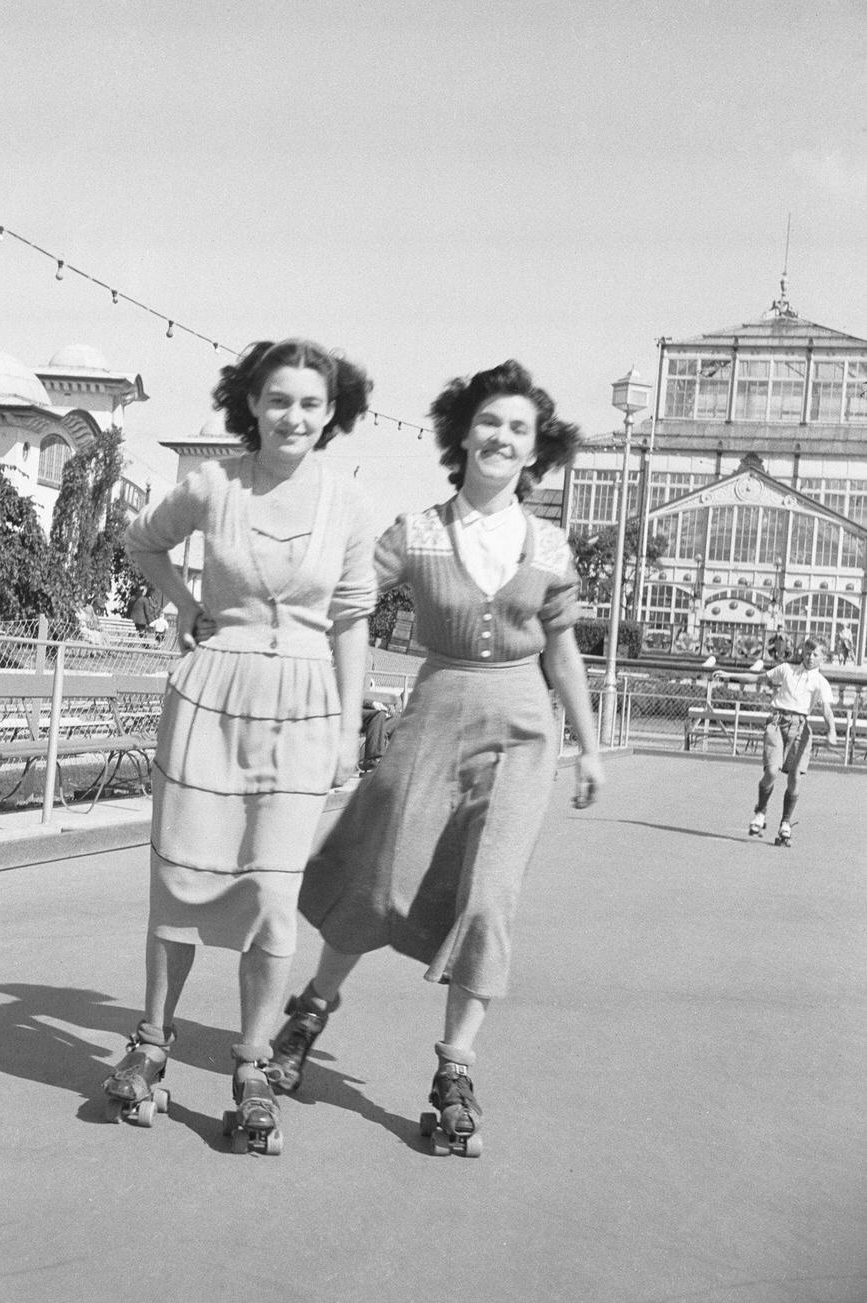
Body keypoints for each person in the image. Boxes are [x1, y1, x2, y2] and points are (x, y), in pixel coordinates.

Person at [267, 359, 605, 1157]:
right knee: (380, 881)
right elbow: (345, 598)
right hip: (432, 720)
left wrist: (589, 747)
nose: (502, 436)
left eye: (519, 428)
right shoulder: (416, 529)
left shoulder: (549, 543)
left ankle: (455, 1069)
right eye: (490, 422)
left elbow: (563, 654)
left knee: (489, 897)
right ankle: (310, 1011)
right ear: (464, 434)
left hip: (522, 733)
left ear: (534, 451)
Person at [101, 338, 376, 1153]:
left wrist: (346, 731)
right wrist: (186, 603)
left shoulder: (349, 504)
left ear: (333, 414)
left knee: (270, 892)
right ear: (251, 403)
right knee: (180, 876)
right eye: (279, 399)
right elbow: (140, 540)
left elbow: (353, 617)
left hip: (301, 706)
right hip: (210, 695)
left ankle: (253, 1063)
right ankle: (151, 1043)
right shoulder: (214, 484)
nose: (294, 416)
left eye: (311, 404)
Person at [714, 634, 838, 847]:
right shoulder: (786, 669)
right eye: (807, 652)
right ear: (802, 652)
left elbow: (826, 709)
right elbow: (759, 678)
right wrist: (729, 675)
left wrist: (832, 731)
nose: (810, 657)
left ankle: (785, 823)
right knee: (771, 771)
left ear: (822, 658)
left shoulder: (821, 682)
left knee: (794, 779)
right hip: (777, 722)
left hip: (800, 728)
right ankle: (760, 812)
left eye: (815, 654)